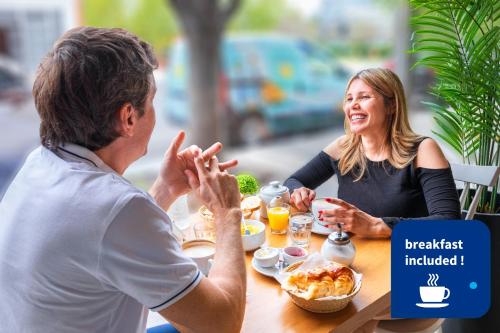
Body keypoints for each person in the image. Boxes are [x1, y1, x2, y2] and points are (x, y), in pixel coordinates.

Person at [0, 27, 246, 333]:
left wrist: (166, 189)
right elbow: (223, 323)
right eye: (152, 101)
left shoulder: (40, 162)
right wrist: (228, 213)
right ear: (128, 117)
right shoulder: (116, 208)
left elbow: (103, 239)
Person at [284, 68, 461, 238]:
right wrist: (297, 191)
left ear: (391, 105)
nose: (353, 105)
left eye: (364, 97)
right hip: (352, 253)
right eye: (349, 98)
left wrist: (375, 226)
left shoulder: (423, 150)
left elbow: (449, 222)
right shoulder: (343, 147)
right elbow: (291, 182)